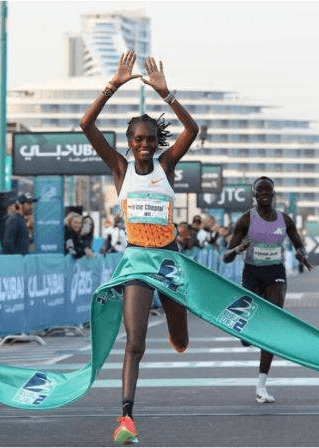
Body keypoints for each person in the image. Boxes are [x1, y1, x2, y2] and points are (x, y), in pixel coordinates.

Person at [80, 50, 199, 444]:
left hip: (169, 260)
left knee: (180, 340)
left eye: (150, 139)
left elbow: (192, 130)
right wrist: (112, 86)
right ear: (129, 143)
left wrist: (167, 94)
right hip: (137, 261)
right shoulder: (121, 169)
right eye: (138, 139)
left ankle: (178, 332)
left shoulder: (167, 166)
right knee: (134, 343)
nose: (145, 144)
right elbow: (86, 124)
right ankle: (126, 418)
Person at [222, 176, 312, 404]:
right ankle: (246, 333)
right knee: (248, 334)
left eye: (267, 190)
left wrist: (301, 254)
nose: (264, 194)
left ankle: (261, 386)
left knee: (272, 322)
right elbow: (226, 257)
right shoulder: (246, 220)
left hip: (275, 273)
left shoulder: (285, 219)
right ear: (254, 195)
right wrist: (237, 249)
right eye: (260, 191)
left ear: (273, 193)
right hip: (252, 273)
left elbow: (298, 244)